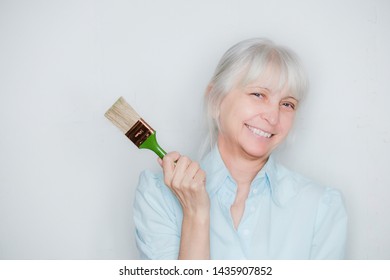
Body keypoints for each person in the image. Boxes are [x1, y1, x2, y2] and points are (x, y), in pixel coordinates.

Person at [133, 38, 348, 259]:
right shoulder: (158, 196)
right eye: (258, 94)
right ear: (216, 99)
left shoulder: (322, 207)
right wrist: (196, 214)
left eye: (287, 104)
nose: (273, 117)